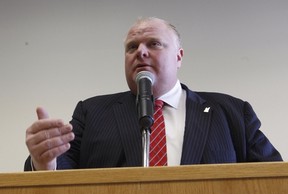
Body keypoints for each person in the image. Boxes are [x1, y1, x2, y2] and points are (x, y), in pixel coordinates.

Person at [24, 17, 282, 171]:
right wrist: (44, 162)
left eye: (154, 44)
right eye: (132, 47)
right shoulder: (92, 113)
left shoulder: (232, 112)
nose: (141, 52)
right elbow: (59, 175)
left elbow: (275, 179)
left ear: (179, 56)